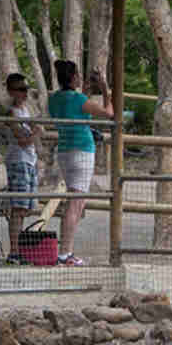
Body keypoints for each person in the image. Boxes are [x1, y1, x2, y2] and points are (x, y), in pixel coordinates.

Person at [48, 59, 112, 266]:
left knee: (74, 202)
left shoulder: (55, 98)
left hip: (64, 151)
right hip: (82, 151)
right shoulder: (78, 99)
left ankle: (66, 251)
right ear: (74, 77)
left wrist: (87, 89)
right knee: (75, 204)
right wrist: (104, 89)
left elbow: (77, 103)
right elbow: (109, 113)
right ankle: (65, 253)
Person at [3, 73, 39, 264]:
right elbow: (23, 140)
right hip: (18, 161)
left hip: (30, 161)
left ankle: (18, 249)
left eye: (26, 88)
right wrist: (36, 132)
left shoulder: (26, 110)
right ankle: (14, 251)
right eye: (21, 89)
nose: (25, 93)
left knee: (25, 208)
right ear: (11, 91)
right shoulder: (11, 113)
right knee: (18, 207)